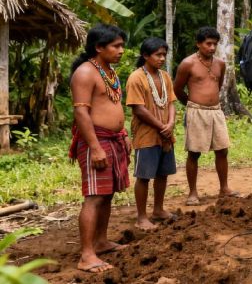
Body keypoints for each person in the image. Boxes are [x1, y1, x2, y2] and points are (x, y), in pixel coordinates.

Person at [69, 24, 130, 273]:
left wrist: (123, 133)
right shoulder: (85, 73)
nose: (121, 51)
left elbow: (112, 105)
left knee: (107, 194)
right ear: (98, 47)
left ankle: (101, 242)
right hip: (97, 141)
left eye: (122, 45)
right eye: (116, 46)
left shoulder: (109, 72)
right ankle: (86, 255)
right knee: (94, 196)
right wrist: (95, 147)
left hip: (113, 139)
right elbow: (81, 111)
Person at [173, 26, 237, 206]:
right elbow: (177, 88)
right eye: (208, 43)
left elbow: (219, 84)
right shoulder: (188, 63)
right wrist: (192, 105)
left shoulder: (220, 64)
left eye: (214, 44)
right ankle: (193, 192)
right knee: (194, 152)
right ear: (198, 43)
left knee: (222, 149)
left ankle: (224, 188)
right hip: (196, 111)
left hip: (216, 111)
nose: (211, 47)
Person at [126, 37, 177, 231]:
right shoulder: (136, 77)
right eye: (158, 55)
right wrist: (161, 126)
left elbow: (171, 102)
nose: (162, 58)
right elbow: (138, 108)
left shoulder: (165, 76)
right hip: (147, 134)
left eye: (164, 54)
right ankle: (141, 217)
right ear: (146, 55)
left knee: (162, 173)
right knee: (144, 176)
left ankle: (158, 210)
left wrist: (170, 123)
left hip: (165, 134)